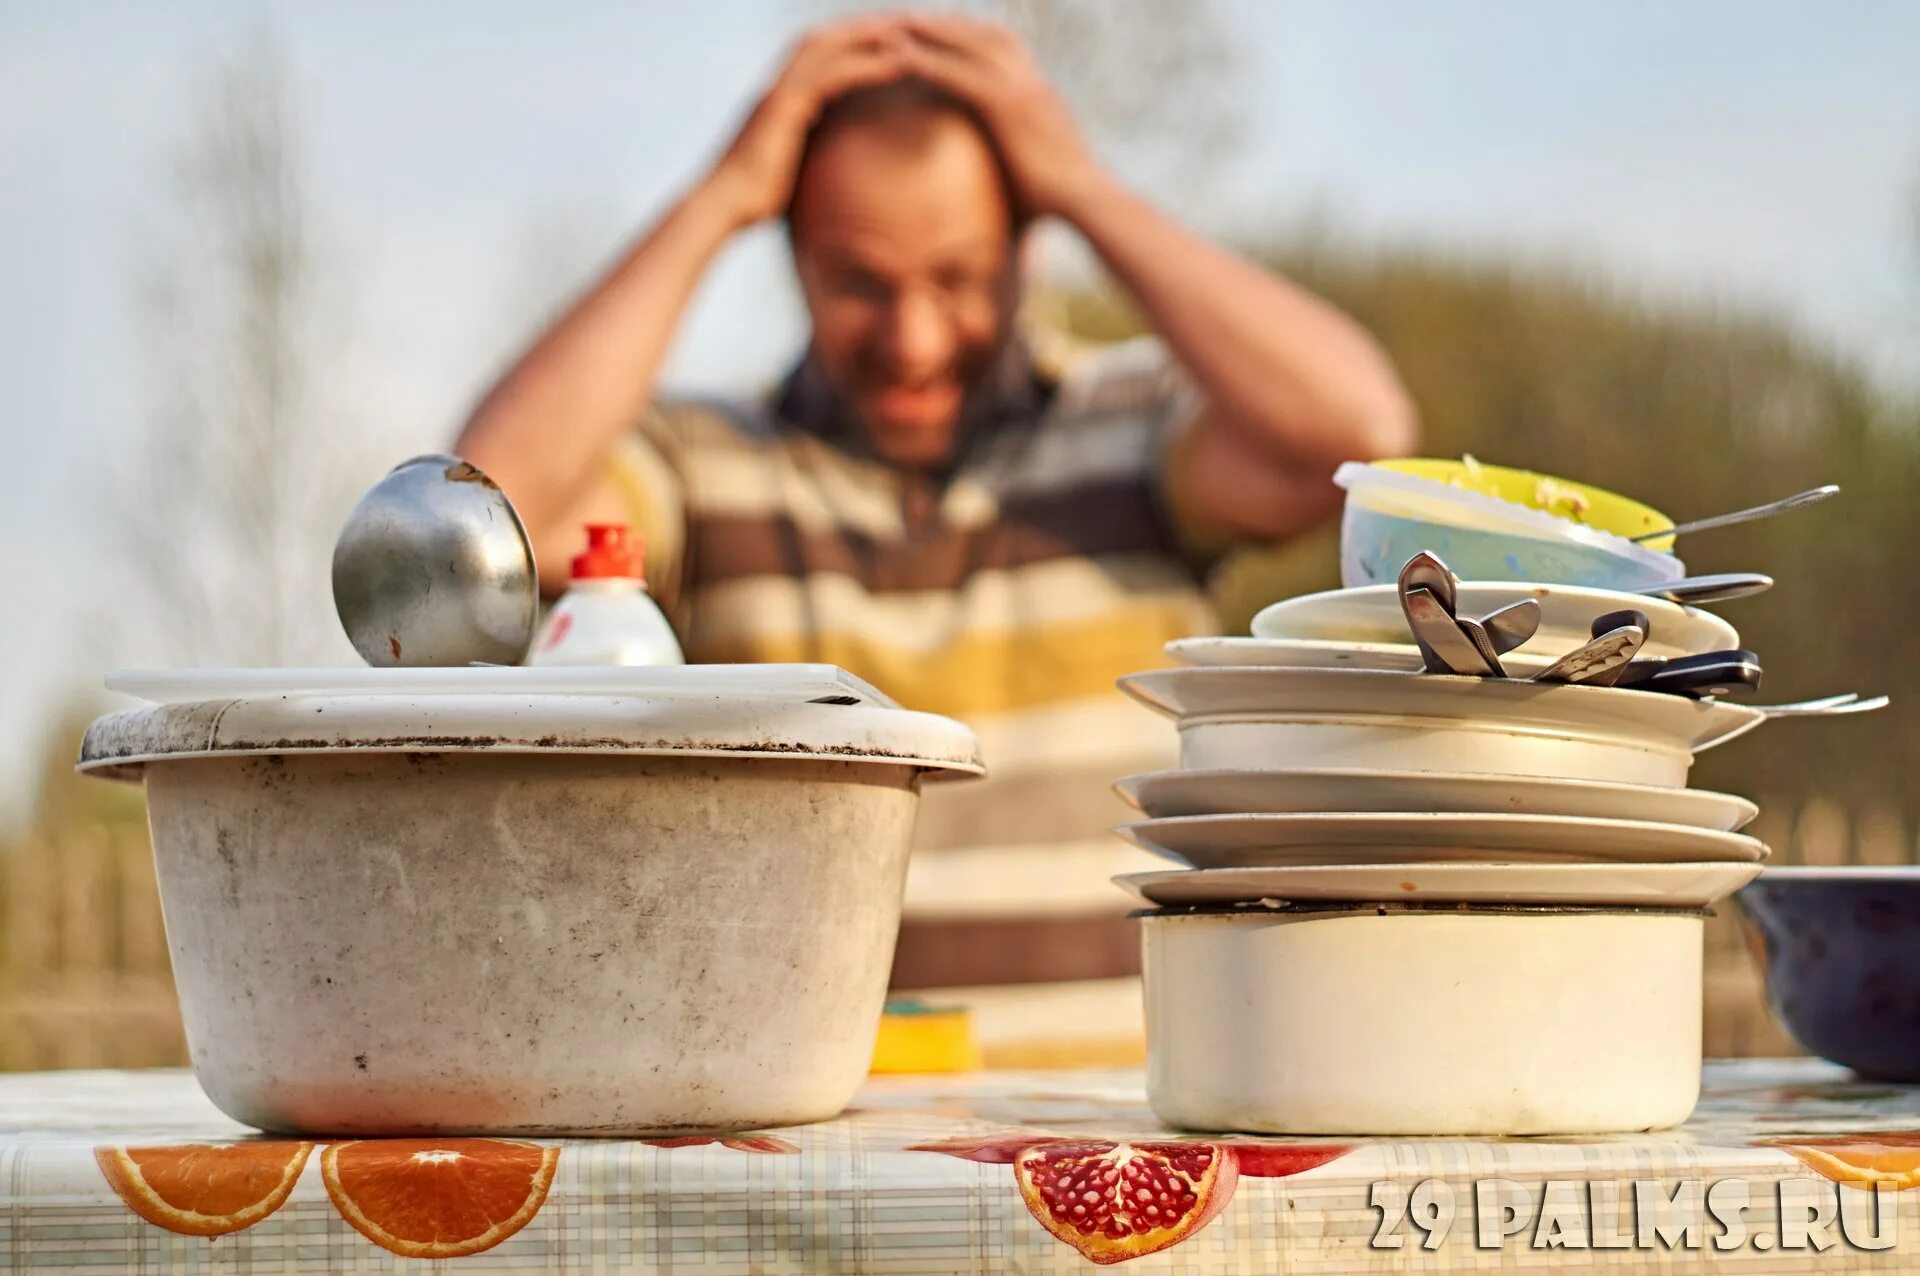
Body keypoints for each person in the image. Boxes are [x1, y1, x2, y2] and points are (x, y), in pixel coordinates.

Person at [458, 13, 1416, 1063]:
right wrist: (717, 199)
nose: (911, 342)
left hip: (1128, 1118)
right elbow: (483, 520)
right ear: (794, 260)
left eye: (958, 277)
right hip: (822, 1132)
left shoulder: (1133, 427)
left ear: (1027, 251)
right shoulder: (701, 459)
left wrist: (1081, 186)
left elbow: (1356, 434)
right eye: (858, 283)